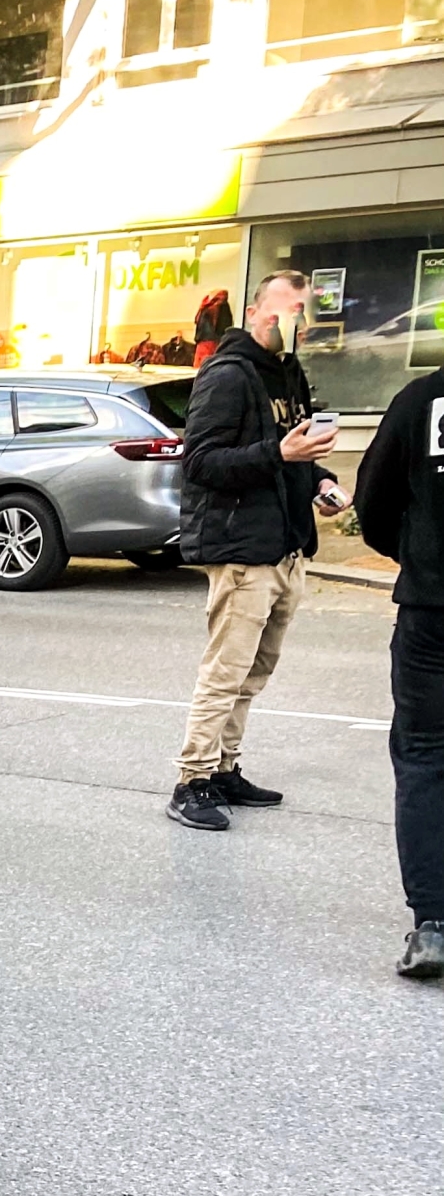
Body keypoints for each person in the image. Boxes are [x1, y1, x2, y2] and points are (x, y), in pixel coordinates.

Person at [167, 269, 346, 831]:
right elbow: (198, 463)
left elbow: (293, 448)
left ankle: (224, 768)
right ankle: (191, 781)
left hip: (285, 546)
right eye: (282, 309)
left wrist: (318, 478)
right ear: (254, 312)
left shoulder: (289, 373)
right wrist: (280, 455)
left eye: (299, 311)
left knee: (254, 672)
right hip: (243, 549)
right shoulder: (226, 374)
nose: (290, 320)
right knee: (225, 672)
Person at [344, 371, 444, 979]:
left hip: (432, 610)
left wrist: (416, 554)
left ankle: (433, 926)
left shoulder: (419, 402)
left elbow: (373, 503)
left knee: (426, 757)